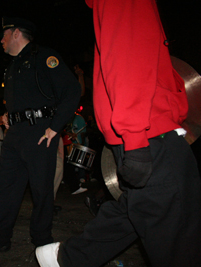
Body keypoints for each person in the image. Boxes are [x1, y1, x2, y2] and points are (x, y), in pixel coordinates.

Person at [35, 1, 201, 266]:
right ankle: (66, 258)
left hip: (148, 130)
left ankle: (67, 258)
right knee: (176, 236)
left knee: (139, 211)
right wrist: (135, 138)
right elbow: (127, 58)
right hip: (150, 131)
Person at [0, 17, 81, 252]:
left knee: (41, 190)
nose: (1, 40)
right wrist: (8, 116)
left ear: (17, 33)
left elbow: (72, 91)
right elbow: (24, 100)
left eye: (5, 35)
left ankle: (42, 242)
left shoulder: (44, 56)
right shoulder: (12, 66)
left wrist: (55, 126)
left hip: (40, 133)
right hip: (16, 136)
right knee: (5, 188)